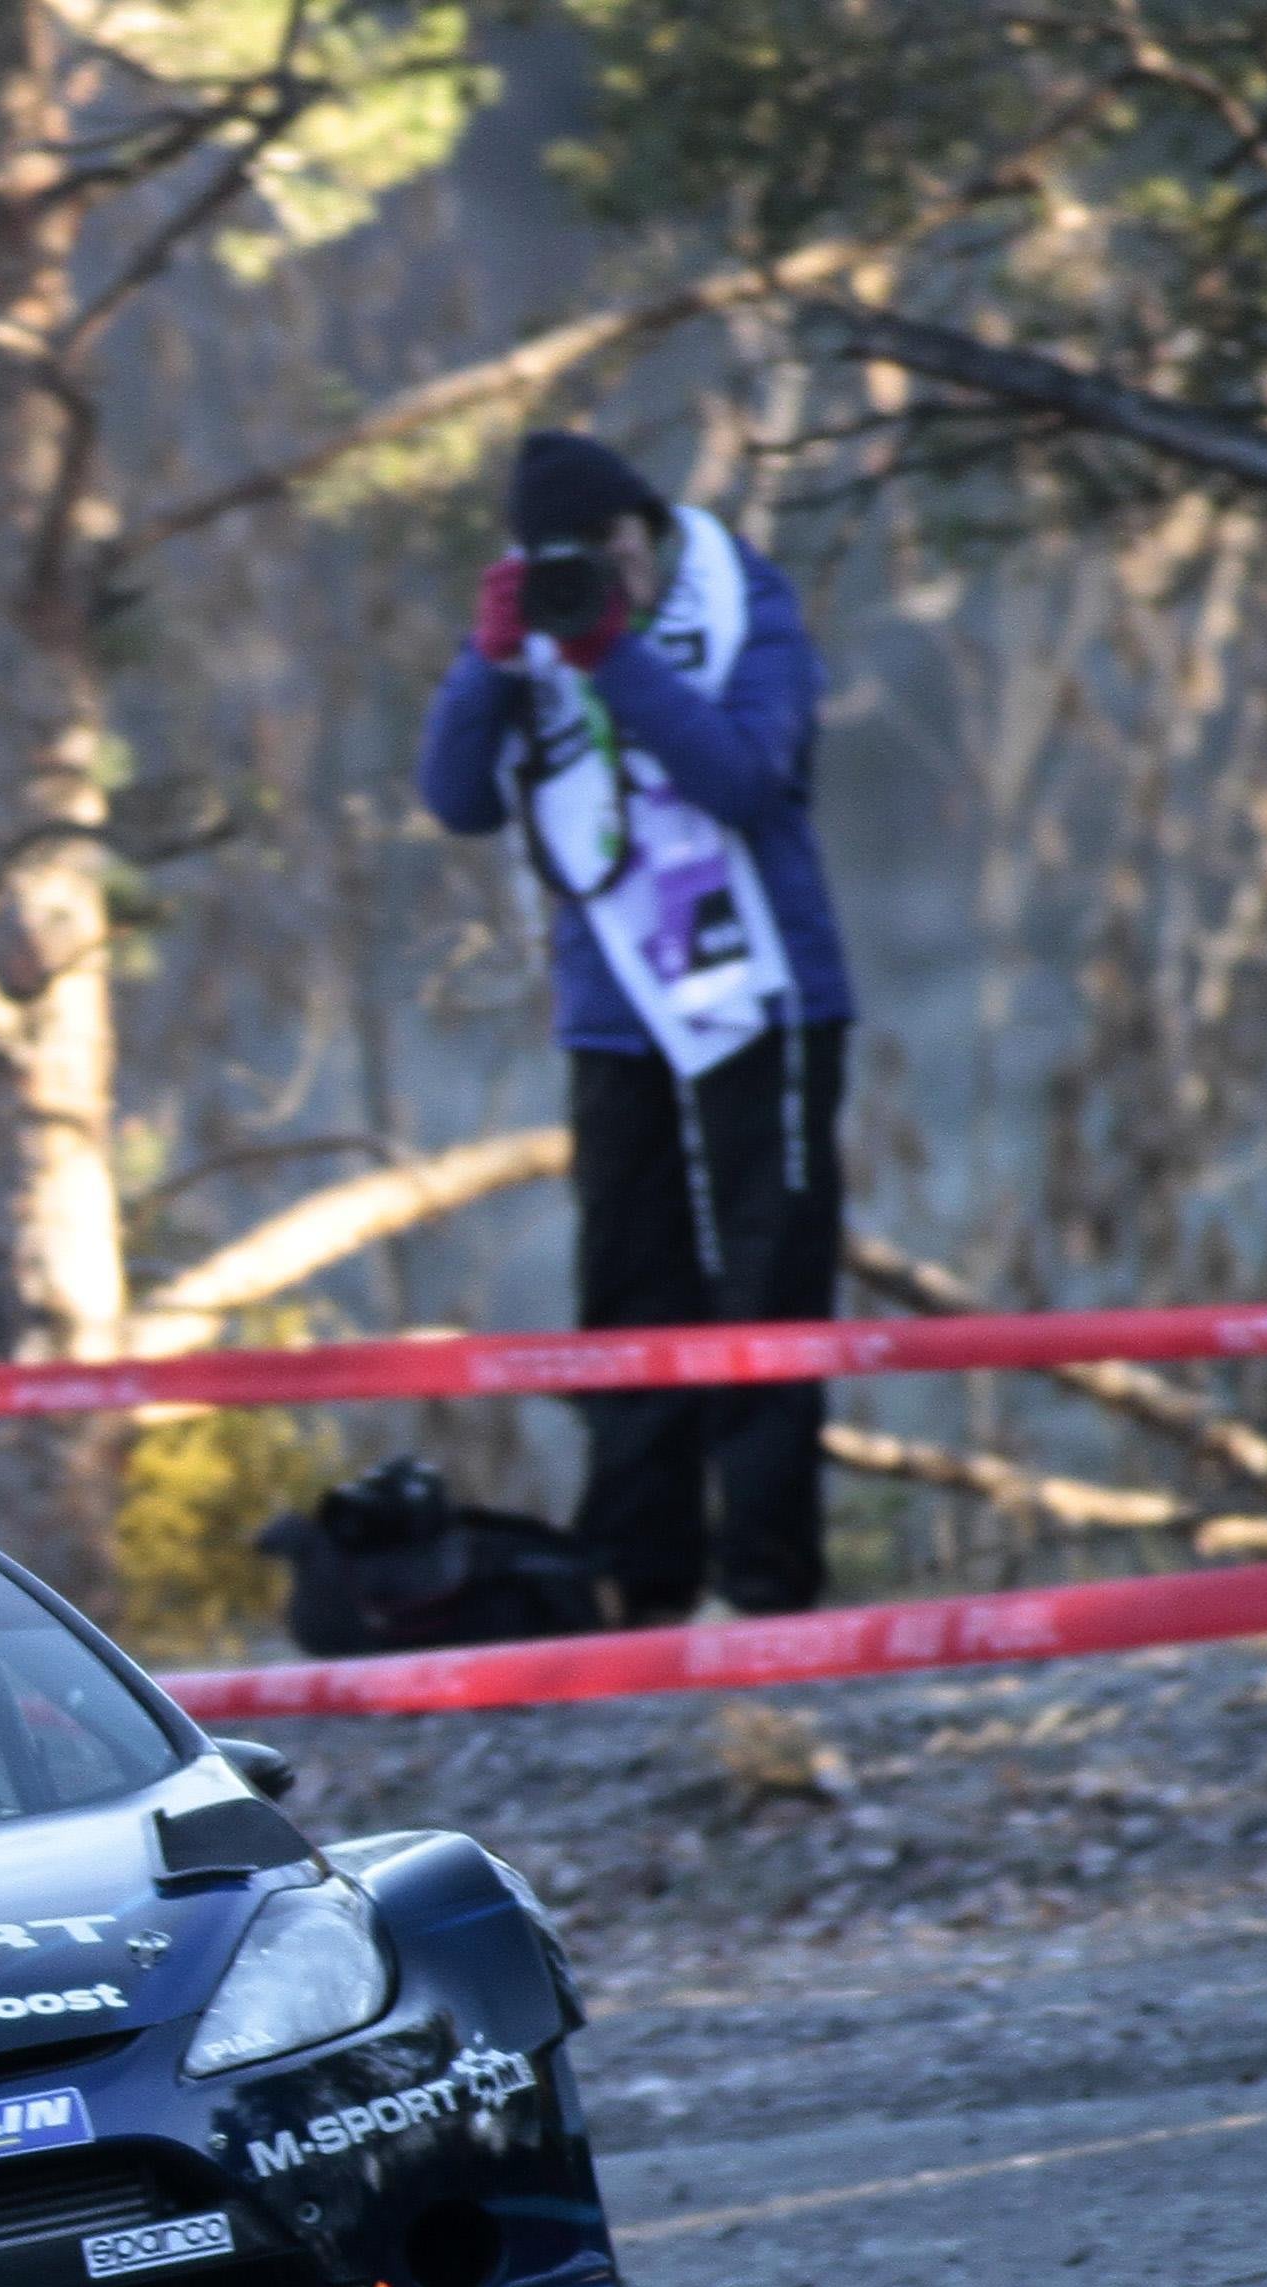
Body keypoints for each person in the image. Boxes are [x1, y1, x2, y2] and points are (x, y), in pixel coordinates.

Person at [417, 429, 859, 1627]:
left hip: (763, 995)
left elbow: (743, 776)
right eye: (560, 556)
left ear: (646, 532)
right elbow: (453, 797)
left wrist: (609, 652)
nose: (593, 571)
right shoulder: (524, 642)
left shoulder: (741, 604)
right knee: (629, 1289)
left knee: (772, 1285)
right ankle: (642, 1587)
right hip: (613, 1013)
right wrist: (493, 660)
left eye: (606, 549)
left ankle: (772, 1591)